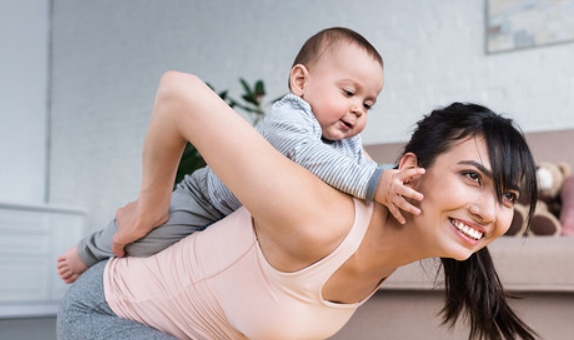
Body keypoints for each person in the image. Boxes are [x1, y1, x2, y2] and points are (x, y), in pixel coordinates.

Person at [39, 70, 540, 340]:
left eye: (506, 197)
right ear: (411, 168)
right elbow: (178, 93)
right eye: (472, 177)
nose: (487, 210)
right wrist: (151, 208)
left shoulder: (401, 245)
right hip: (109, 319)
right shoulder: (318, 216)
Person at [56, 27, 423, 284]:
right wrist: (376, 182)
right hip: (209, 200)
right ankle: (89, 251)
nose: (358, 109)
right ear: (300, 82)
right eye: (348, 92)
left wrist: (394, 177)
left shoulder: (346, 142)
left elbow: (362, 169)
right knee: (146, 238)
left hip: (245, 225)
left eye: (368, 103)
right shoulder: (289, 118)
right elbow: (312, 159)